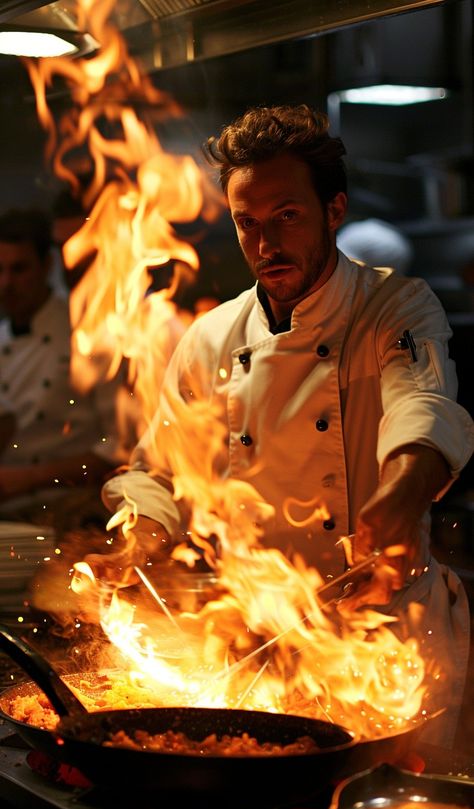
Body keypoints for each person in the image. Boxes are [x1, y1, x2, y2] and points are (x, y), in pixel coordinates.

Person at [93, 105, 474, 745]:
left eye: (287, 216)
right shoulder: (210, 339)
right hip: (263, 644)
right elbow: (156, 469)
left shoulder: (393, 307)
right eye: (248, 224)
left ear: (334, 210)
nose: (266, 245)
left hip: (392, 638)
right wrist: (141, 537)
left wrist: (399, 502)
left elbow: (424, 407)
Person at [0, 207, 125, 533]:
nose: (6, 283)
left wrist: (25, 480)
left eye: (19, 269)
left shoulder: (88, 333)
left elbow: (120, 450)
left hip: (71, 513)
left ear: (47, 265)